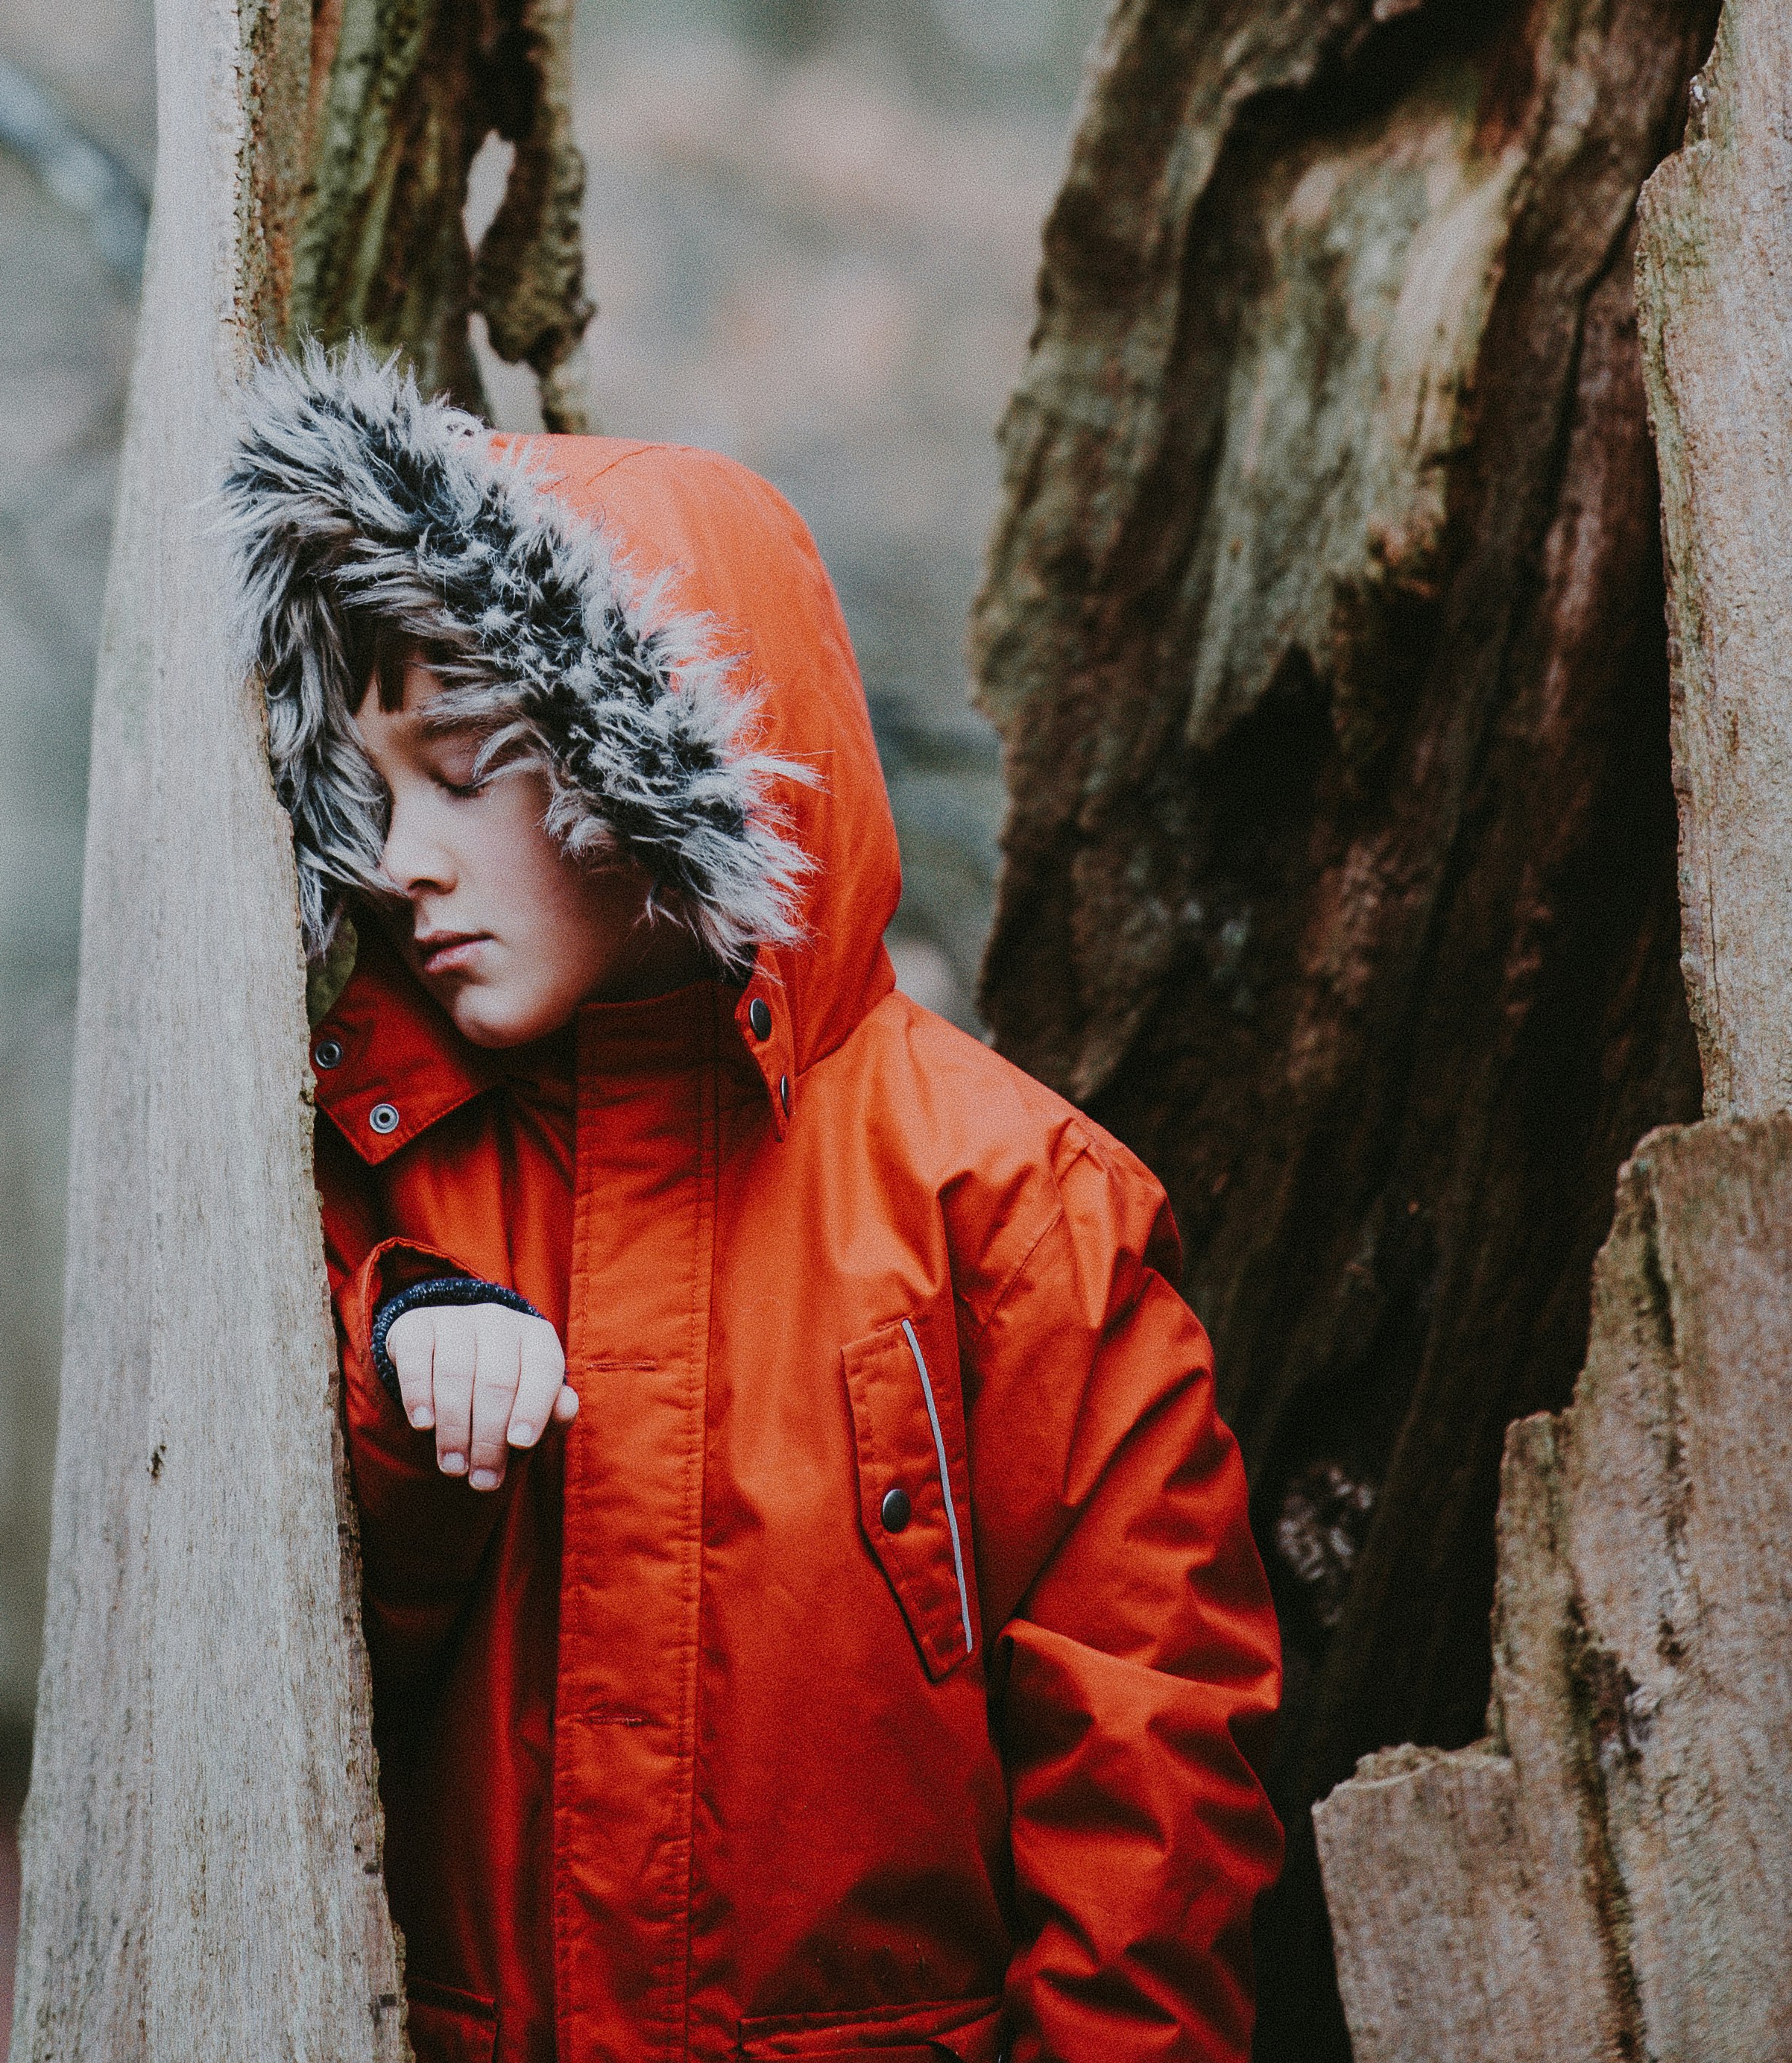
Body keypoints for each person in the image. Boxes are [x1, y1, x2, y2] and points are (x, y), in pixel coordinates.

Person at [227, 347, 1284, 2063]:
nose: (396, 859)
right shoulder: (374, 1160)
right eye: (374, 790)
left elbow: (1147, 1772)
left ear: (647, 748)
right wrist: (401, 1378)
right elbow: (277, 1674)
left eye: (465, 766)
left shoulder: (1013, 1208)